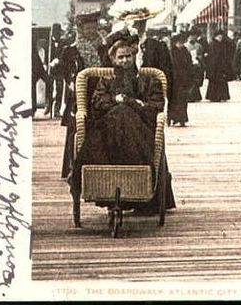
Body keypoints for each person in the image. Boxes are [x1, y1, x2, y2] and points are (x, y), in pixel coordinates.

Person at [73, 31, 176, 214]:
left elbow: (155, 107)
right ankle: (107, 187)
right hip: (109, 133)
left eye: (128, 56)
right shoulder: (106, 81)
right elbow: (97, 104)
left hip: (139, 132)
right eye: (120, 57)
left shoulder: (147, 80)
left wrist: (130, 103)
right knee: (118, 116)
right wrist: (116, 101)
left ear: (134, 56)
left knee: (125, 115)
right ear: (113, 59)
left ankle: (137, 185)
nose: (125, 61)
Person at [60, 9, 108, 179]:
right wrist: (71, 83)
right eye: (87, 28)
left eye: (93, 28)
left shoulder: (105, 48)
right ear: (80, 29)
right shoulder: (70, 50)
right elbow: (65, 72)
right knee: (77, 129)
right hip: (80, 94)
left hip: (100, 90)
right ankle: (73, 166)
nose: (90, 31)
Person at [168, 33, 193, 126]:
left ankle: (182, 118)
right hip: (174, 79)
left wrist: (190, 76)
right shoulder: (171, 52)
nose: (180, 44)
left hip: (183, 79)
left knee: (183, 100)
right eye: (179, 42)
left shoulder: (185, 51)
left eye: (182, 42)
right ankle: (172, 117)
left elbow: (189, 64)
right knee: (173, 100)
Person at [205, 29, 233, 102]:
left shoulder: (223, 44)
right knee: (215, 82)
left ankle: (222, 96)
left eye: (221, 37)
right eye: (219, 37)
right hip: (214, 67)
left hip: (221, 66)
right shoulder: (212, 44)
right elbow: (211, 57)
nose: (220, 39)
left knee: (222, 82)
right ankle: (214, 96)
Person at [184, 29, 205, 102]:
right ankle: (190, 96)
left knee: (196, 80)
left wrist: (199, 58)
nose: (193, 37)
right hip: (189, 64)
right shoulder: (185, 46)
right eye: (192, 36)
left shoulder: (199, 46)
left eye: (195, 36)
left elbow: (201, 54)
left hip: (197, 64)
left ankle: (196, 95)